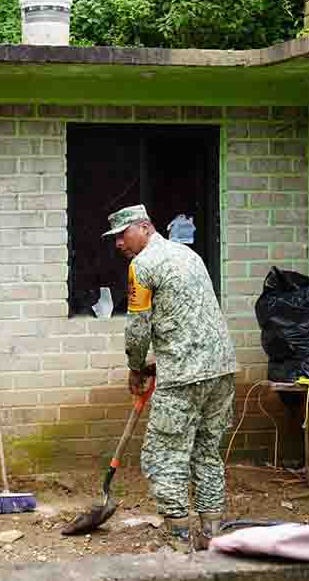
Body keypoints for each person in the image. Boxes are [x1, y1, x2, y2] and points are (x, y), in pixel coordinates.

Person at [105, 205, 237, 552]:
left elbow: (137, 329)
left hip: (183, 376)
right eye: (115, 237)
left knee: (164, 454)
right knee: (207, 451)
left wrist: (136, 367)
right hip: (221, 369)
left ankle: (179, 537)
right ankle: (212, 533)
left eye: (123, 234)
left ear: (146, 227)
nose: (118, 243)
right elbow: (190, 315)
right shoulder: (188, 254)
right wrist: (155, 362)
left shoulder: (142, 265)